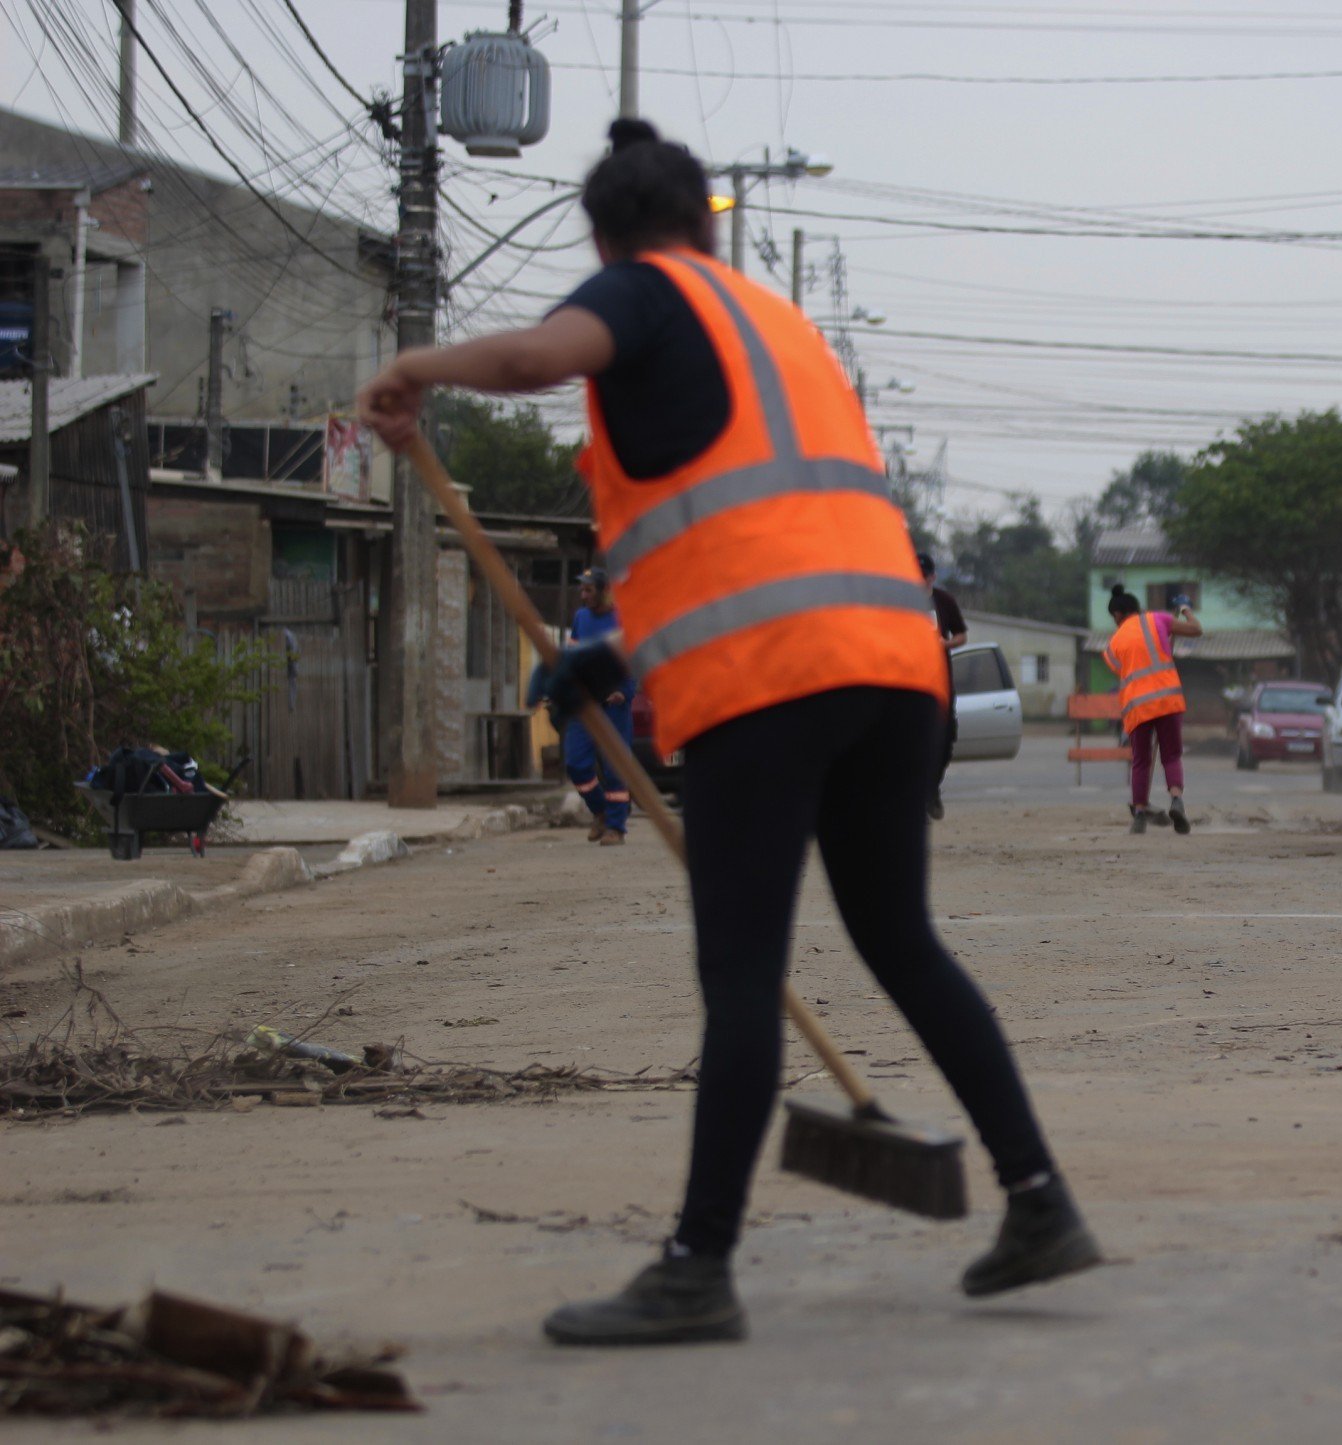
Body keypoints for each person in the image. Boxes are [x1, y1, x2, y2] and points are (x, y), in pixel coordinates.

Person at [355, 119, 1099, 1347]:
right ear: (707, 219)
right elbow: (763, 538)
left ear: (608, 236)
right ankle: (1039, 1200)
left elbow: (549, 352)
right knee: (901, 941)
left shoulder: (645, 294)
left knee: (743, 974)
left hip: (774, 687)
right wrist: (622, 650)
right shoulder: (778, 328)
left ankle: (698, 1267)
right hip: (894, 670)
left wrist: (422, 366)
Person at [1103, 583, 1200, 835]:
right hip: (1167, 700)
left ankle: (1139, 814)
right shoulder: (1159, 620)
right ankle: (1176, 800)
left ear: (1117, 615)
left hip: (1137, 708)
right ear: (1138, 608)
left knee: (1140, 762)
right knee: (1171, 756)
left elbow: (1123, 668)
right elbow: (1196, 630)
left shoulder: (1111, 646)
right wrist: (1185, 609)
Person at [563, 566, 634, 844]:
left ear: (604, 592)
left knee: (615, 765)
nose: (583, 595)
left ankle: (616, 828)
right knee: (576, 764)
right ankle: (600, 811)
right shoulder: (581, 618)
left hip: (614, 704)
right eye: (581, 590)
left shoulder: (623, 618)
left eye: (588, 590)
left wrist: (624, 691)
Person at [919, 552, 968, 821]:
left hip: (940, 682)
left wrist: (944, 644)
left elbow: (961, 635)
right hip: (911, 682)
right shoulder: (902, 603)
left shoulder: (944, 601)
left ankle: (932, 789)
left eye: (923, 576)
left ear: (932, 577)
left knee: (946, 737)